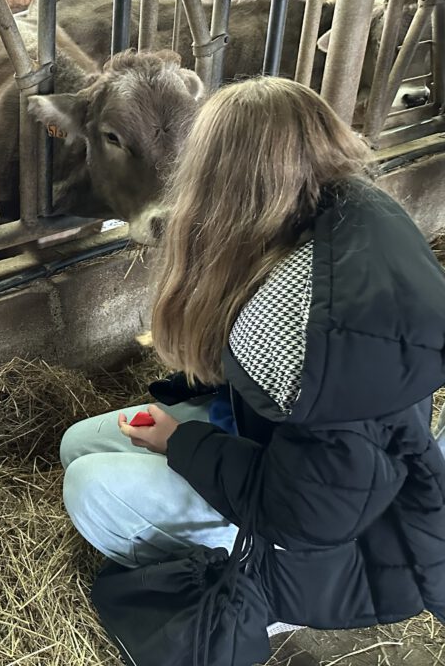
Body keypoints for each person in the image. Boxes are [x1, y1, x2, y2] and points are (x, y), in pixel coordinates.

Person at [61, 77, 445, 635]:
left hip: (337, 554)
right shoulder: (341, 213)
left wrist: (181, 441)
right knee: (78, 443)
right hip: (317, 464)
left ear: (221, 182)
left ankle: (259, 601)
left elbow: (309, 515)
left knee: (91, 488)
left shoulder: (292, 331)